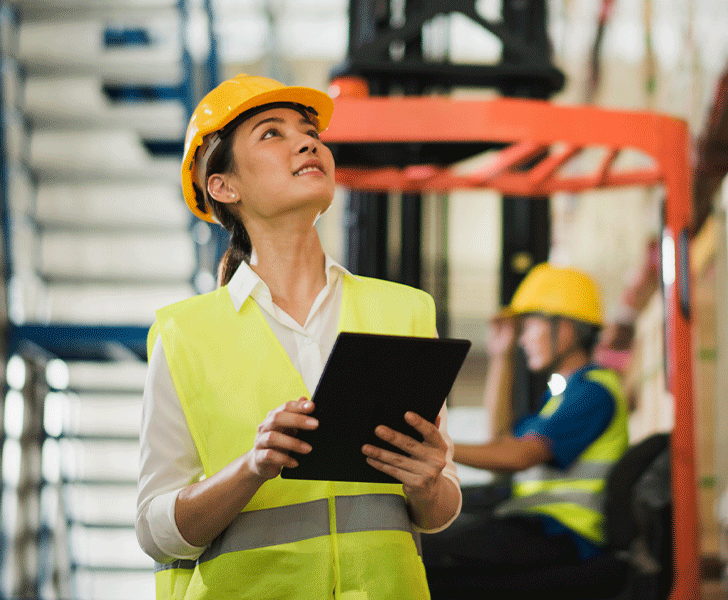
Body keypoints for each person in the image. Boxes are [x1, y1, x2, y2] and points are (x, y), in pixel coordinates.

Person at [135, 74, 461, 600]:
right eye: (272, 133)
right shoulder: (185, 335)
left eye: (311, 133)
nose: (308, 144)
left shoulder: (404, 311)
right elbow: (155, 533)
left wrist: (427, 484)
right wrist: (252, 468)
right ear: (224, 186)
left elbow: (441, 510)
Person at [420, 263, 629, 596]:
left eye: (529, 326)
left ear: (565, 330)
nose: (523, 339)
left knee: (427, 555)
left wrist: (435, 446)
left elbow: (518, 456)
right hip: (539, 524)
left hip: (563, 533)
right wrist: (501, 357)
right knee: (429, 550)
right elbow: (501, 440)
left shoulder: (593, 392)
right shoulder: (560, 396)